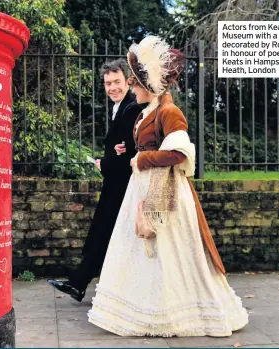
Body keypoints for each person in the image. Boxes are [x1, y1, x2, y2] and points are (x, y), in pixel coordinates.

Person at [87, 36, 249, 337]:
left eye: (135, 84)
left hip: (167, 193)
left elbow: (181, 153)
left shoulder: (169, 111)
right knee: (147, 253)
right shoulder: (149, 111)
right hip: (146, 188)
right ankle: (145, 310)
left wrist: (143, 158)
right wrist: (131, 153)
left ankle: (177, 312)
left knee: (170, 253)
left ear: (149, 87)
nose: (131, 89)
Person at [48, 59, 145, 302]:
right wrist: (111, 155)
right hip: (116, 183)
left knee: (107, 234)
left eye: (116, 82)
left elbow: (133, 149)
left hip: (124, 186)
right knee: (105, 234)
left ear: (128, 81)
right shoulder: (121, 106)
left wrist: (107, 162)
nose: (112, 87)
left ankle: (82, 282)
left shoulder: (131, 107)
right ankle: (81, 282)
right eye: (107, 83)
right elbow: (119, 148)